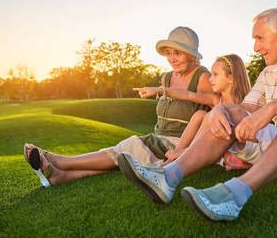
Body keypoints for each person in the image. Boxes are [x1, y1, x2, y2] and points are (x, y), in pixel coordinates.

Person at [118, 8, 277, 221]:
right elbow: (242, 109)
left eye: (260, 38)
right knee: (229, 114)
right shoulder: (269, 73)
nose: (256, 47)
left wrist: (270, 109)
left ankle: (234, 195)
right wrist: (219, 111)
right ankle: (168, 177)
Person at [23, 26, 213, 187]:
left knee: (129, 146)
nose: (172, 59)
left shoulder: (202, 77)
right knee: (124, 157)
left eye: (177, 53)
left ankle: (61, 161)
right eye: (169, 53)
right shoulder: (166, 77)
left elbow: (214, 107)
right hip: (159, 138)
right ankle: (60, 176)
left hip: (180, 143)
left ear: (190, 55)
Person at [134, 54, 251, 169]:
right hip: (217, 151)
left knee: (211, 114)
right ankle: (171, 160)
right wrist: (158, 90)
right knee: (200, 114)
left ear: (230, 78)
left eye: (215, 75)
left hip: (235, 155)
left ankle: (187, 152)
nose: (210, 79)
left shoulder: (244, 105)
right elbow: (187, 94)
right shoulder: (216, 99)